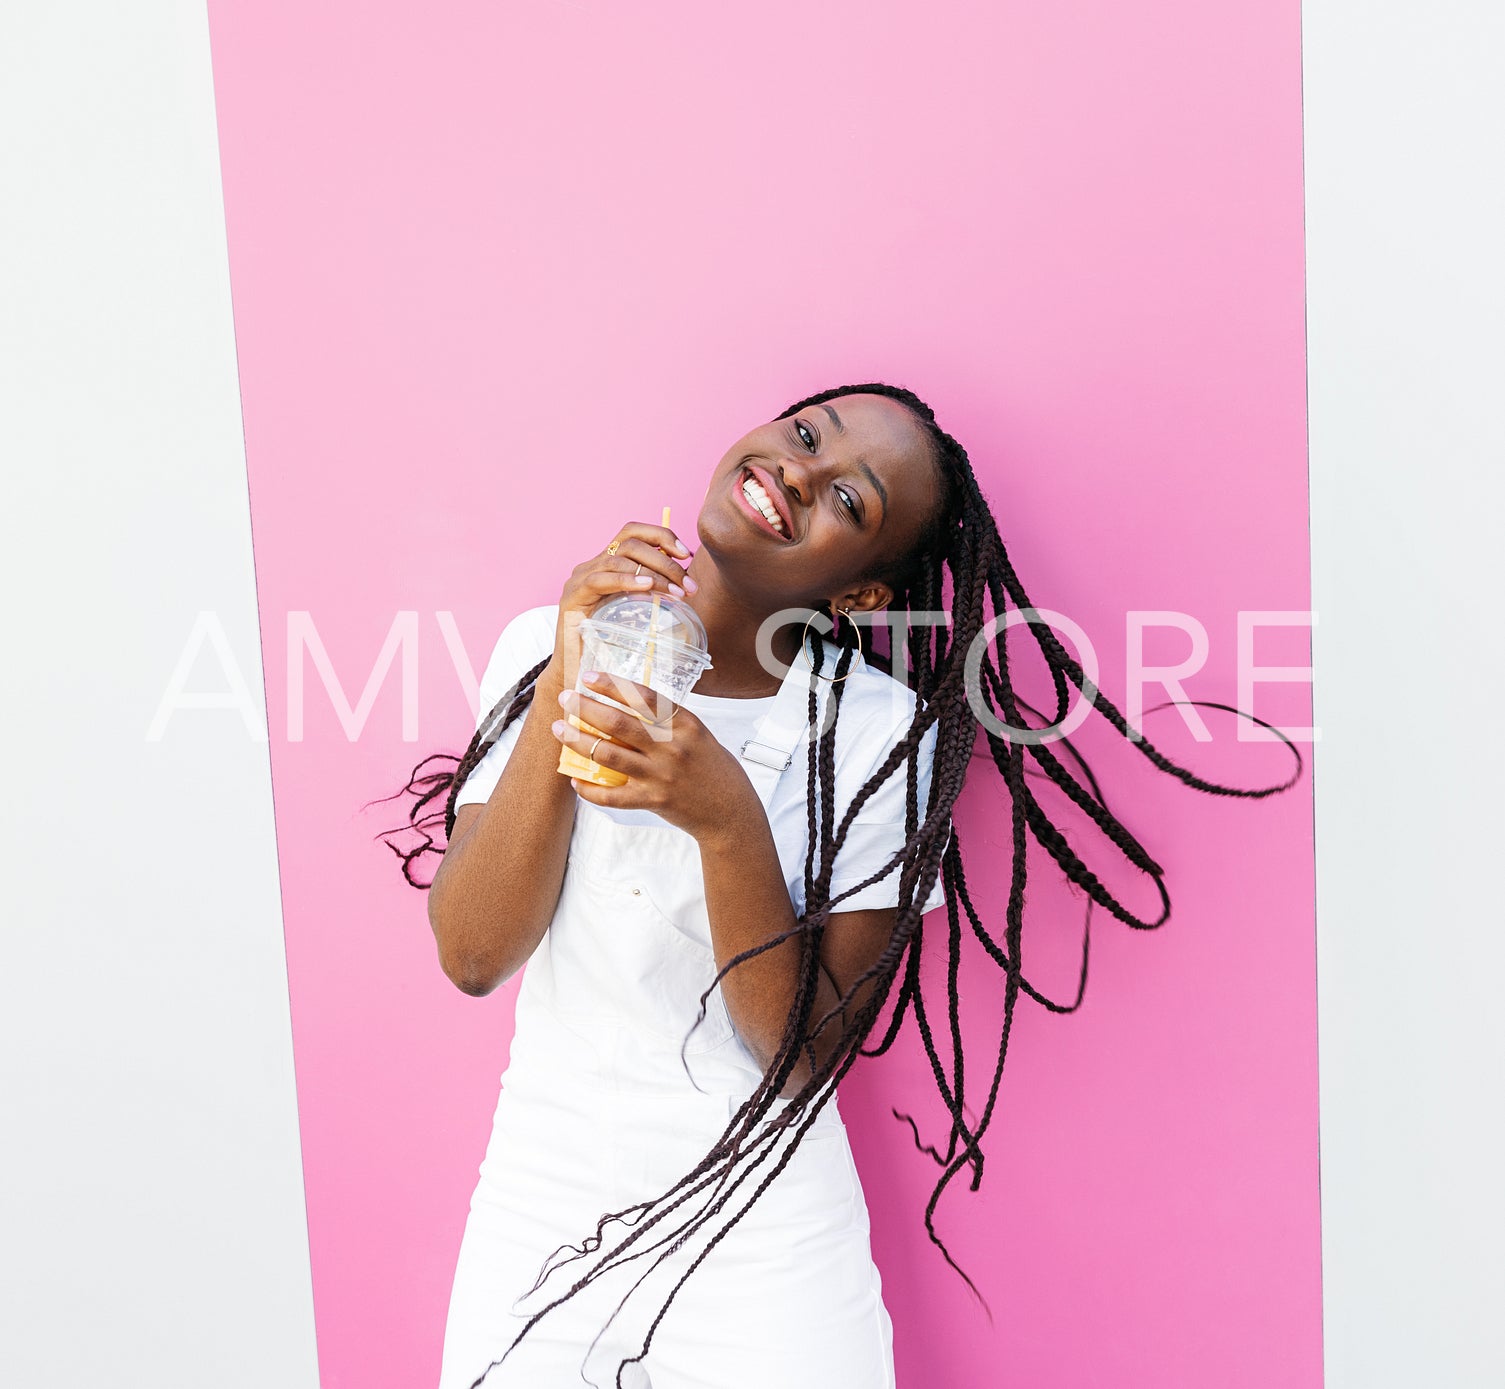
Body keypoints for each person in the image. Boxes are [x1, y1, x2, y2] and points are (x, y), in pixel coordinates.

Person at [380, 382, 1300, 1389]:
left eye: (848, 501)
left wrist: (724, 818)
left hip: (756, 1233)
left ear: (856, 596)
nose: (797, 472)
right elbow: (471, 955)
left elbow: (799, 1051)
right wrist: (569, 669)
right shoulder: (544, 646)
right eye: (804, 434)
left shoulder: (874, 739)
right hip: (541, 1195)